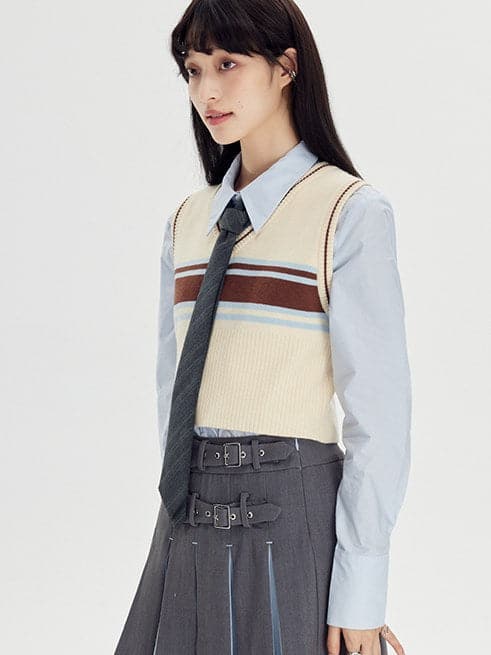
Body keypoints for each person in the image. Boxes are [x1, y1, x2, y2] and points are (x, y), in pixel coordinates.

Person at [115, 1, 411, 654]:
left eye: (227, 64)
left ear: (285, 67)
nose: (207, 91)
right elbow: (172, 389)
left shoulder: (347, 213)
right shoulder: (187, 223)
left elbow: (379, 417)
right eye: (193, 69)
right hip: (185, 520)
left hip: (292, 513)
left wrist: (360, 590)